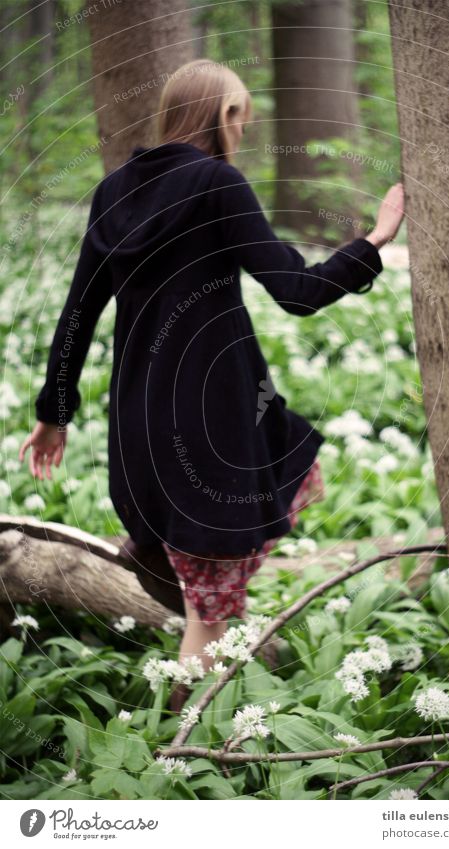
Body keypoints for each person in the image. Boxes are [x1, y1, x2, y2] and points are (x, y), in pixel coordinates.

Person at [19, 59, 404, 714]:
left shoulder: (112, 192)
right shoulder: (219, 185)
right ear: (224, 117)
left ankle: (213, 616)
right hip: (211, 430)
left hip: (141, 427)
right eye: (241, 121)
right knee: (210, 616)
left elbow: (78, 311)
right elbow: (297, 291)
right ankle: (186, 743)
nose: (244, 135)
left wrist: (54, 413)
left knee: (281, 482)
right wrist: (374, 238)